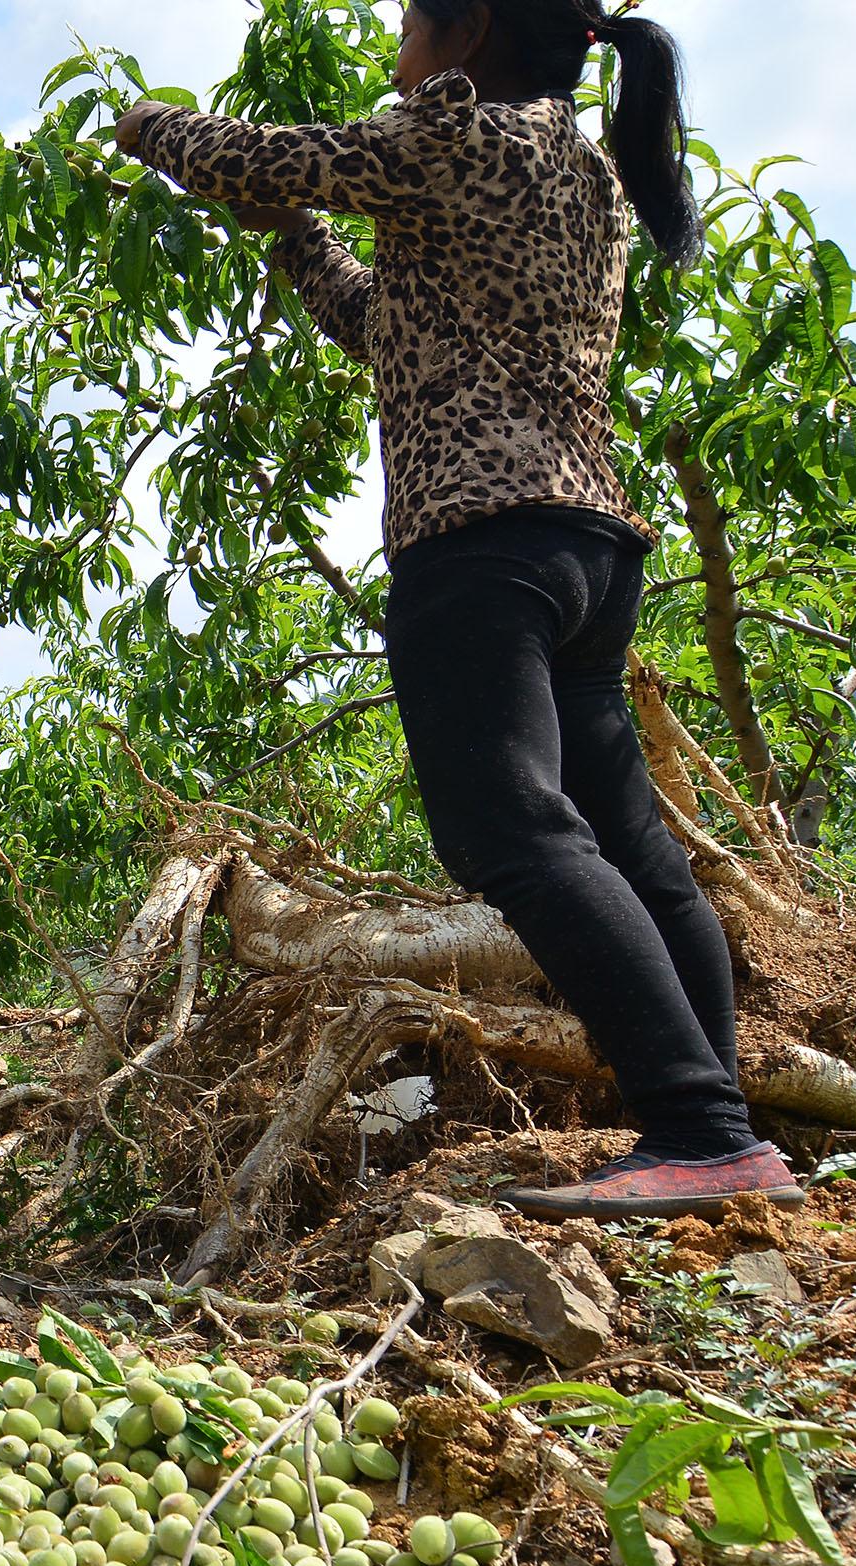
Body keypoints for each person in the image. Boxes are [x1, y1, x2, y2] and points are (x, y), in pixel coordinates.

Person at [116, 0, 804, 1221]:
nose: (397, 53)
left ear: (468, 29)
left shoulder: (463, 136)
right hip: (585, 543)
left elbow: (262, 153)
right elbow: (385, 326)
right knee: (628, 844)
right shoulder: (578, 169)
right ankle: (725, 1123)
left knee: (511, 836)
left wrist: (148, 125)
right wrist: (295, 242)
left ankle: (700, 1125)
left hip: (479, 545)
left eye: (407, 27)